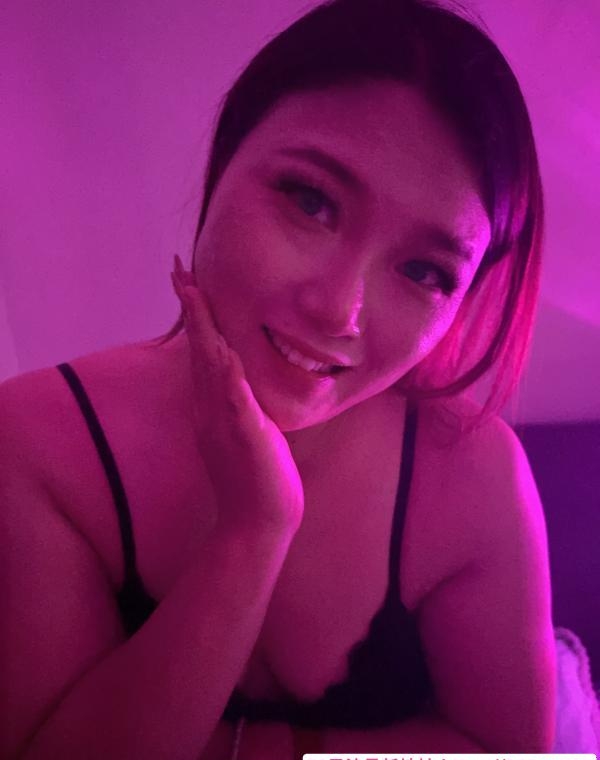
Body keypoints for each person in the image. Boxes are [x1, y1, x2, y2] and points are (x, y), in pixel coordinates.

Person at [1, 0, 557, 757]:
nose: (339, 310)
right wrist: (251, 531)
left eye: (424, 271)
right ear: (225, 160)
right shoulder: (41, 441)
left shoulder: (474, 476)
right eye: (311, 201)